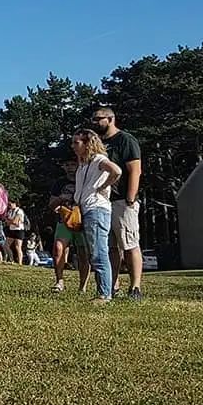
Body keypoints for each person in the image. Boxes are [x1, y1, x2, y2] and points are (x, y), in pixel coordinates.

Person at [92, 107, 144, 300]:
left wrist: (130, 198)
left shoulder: (125, 140)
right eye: (93, 119)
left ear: (111, 118)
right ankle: (112, 286)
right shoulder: (98, 143)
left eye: (98, 119)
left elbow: (135, 170)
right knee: (110, 247)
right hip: (103, 200)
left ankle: (135, 287)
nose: (95, 123)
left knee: (129, 243)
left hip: (122, 200)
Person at [72, 128, 123, 303]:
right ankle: (104, 291)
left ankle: (105, 294)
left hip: (97, 209)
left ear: (88, 144)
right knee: (94, 251)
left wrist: (102, 187)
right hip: (87, 209)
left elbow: (116, 171)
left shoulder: (99, 160)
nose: (73, 146)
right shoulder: (83, 165)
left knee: (99, 252)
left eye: (77, 142)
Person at [49, 157, 88, 293]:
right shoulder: (59, 183)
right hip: (64, 220)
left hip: (83, 220)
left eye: (73, 164)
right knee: (58, 248)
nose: (70, 168)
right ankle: (59, 281)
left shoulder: (84, 180)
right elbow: (51, 204)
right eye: (67, 165)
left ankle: (82, 286)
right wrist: (61, 199)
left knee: (83, 253)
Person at [5, 200, 26, 264]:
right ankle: (11, 259)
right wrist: (10, 221)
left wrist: (9, 221)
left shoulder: (19, 211)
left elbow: (15, 222)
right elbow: (7, 221)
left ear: (15, 204)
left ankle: (20, 262)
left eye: (10, 204)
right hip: (12, 230)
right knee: (6, 245)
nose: (9, 206)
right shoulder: (10, 211)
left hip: (19, 230)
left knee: (18, 247)